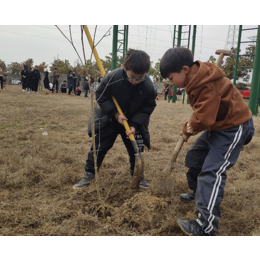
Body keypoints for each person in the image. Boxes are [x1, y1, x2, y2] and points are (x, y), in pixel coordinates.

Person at [160, 47, 255, 236]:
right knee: (195, 158)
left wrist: (188, 128)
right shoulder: (196, 78)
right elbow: (204, 112)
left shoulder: (207, 85)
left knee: (212, 171)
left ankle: (206, 225)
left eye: (171, 78)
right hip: (218, 125)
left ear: (185, 70)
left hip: (234, 127)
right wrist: (191, 124)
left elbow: (204, 119)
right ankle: (199, 194)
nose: (170, 83)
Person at [73, 49, 157, 190]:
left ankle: (137, 175)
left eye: (140, 78)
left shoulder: (148, 86)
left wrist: (135, 124)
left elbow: (148, 107)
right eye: (132, 77)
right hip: (109, 117)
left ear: (146, 74)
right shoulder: (113, 77)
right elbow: (100, 95)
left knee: (135, 150)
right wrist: (115, 114)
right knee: (99, 146)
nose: (136, 81)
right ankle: (89, 173)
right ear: (125, 68)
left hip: (132, 121)